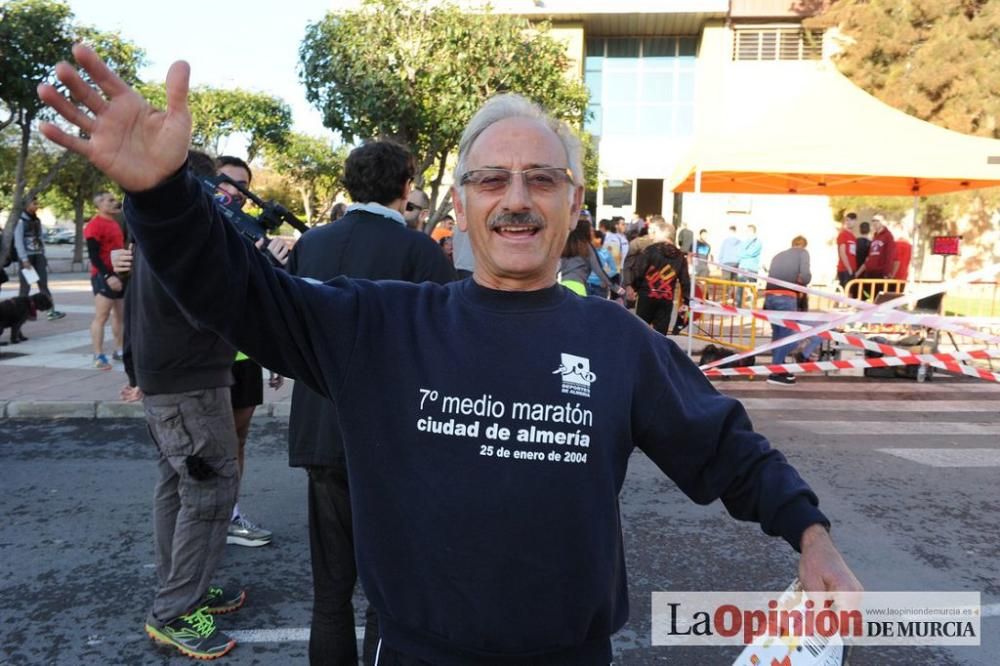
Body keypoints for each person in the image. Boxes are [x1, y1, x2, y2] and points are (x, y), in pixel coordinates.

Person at [40, 49, 861, 664]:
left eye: (542, 179)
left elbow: (727, 448)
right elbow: (238, 292)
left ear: (574, 202)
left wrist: (811, 533)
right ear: (458, 203)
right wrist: (162, 196)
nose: (516, 198)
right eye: (492, 179)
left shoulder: (618, 343)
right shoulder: (380, 325)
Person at [286, 138, 456, 666]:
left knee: (329, 593)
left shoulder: (312, 243)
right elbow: (444, 345)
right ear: (407, 186)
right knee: (387, 595)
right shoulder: (418, 249)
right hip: (391, 437)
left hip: (318, 424)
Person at [112, 149, 245, 660]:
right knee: (210, 491)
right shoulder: (191, 232)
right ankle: (174, 610)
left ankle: (186, 585)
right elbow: (215, 304)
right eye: (224, 189)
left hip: (165, 376)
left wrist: (134, 371)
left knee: (178, 483)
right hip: (188, 381)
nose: (229, 199)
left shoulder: (157, 228)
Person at [214, 154, 283, 549]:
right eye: (227, 183)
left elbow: (260, 294)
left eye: (242, 188)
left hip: (245, 355)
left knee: (238, 440)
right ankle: (203, 520)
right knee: (211, 446)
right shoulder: (199, 226)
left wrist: (269, 352)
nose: (234, 194)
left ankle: (230, 514)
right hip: (208, 359)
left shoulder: (251, 233)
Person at [763, 236, 822, 386]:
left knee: (777, 335)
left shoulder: (778, 255)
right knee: (788, 336)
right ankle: (775, 372)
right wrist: (799, 280)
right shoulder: (803, 253)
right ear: (803, 246)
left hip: (769, 297)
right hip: (786, 297)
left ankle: (780, 367)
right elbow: (806, 277)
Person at [83, 191, 126, 369]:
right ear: (99, 204)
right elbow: (94, 256)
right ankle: (98, 355)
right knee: (102, 316)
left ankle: (120, 350)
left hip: (120, 274)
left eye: (114, 199)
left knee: (121, 315)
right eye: (109, 200)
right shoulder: (94, 225)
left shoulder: (115, 223)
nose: (113, 202)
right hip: (103, 276)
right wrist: (108, 276)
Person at [628, 219, 690, 336]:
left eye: (655, 233)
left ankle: (641, 353)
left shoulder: (650, 250)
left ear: (663, 234)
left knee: (641, 332)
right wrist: (687, 301)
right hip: (666, 298)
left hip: (646, 296)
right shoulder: (680, 256)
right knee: (660, 335)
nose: (653, 237)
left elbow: (638, 271)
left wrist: (634, 287)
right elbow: (685, 281)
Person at [14, 196, 65, 320]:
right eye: (34, 203)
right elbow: (18, 241)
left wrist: (43, 254)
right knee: (25, 287)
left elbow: (41, 238)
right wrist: (24, 259)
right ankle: (20, 313)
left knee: (43, 285)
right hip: (27, 259)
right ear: (26, 205)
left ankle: (51, 311)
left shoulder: (37, 220)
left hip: (38, 256)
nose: (37, 206)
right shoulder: (20, 221)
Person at [559, 216, 621, 298]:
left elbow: (555, 267)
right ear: (585, 232)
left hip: (563, 287)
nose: (592, 233)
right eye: (591, 230)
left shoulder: (566, 246)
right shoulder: (587, 247)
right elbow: (599, 270)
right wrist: (617, 289)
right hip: (578, 288)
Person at [835, 212, 858, 288]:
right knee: (845, 294)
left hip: (852, 269)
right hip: (845, 270)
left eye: (851, 220)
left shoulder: (853, 237)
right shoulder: (843, 234)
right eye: (847, 220)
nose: (849, 222)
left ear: (855, 221)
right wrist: (849, 269)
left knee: (850, 294)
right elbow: (842, 253)